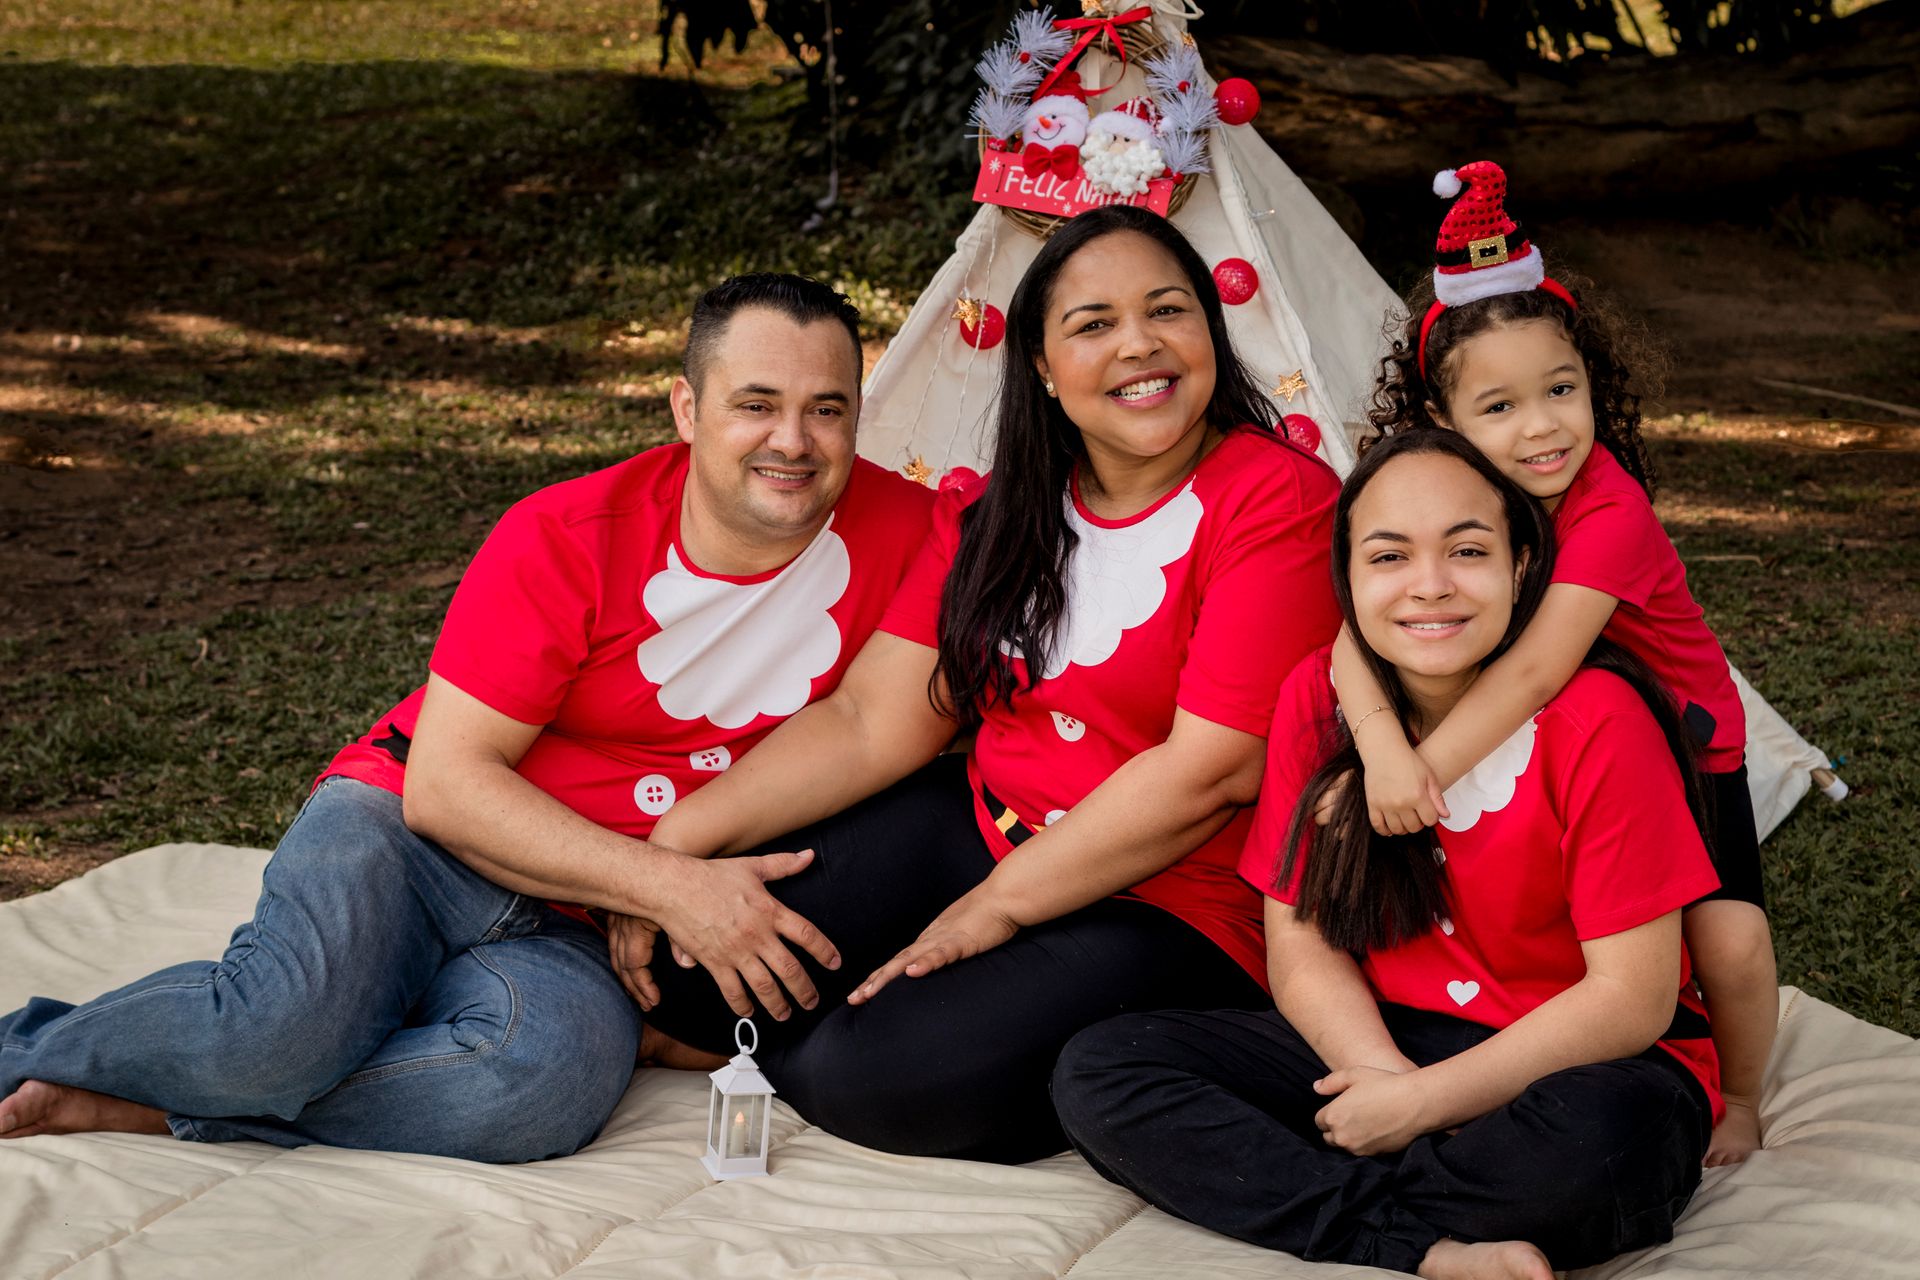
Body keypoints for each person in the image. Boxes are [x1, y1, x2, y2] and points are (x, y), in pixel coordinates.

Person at [0, 273, 934, 1162]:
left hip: (579, 914)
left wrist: (649, 878)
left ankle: (168, 1100)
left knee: (533, 1087)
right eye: (756, 404)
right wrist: (669, 885)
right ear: (688, 409)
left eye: (828, 408)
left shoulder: (917, 533)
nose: (794, 442)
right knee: (275, 1034)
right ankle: (40, 1049)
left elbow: (870, 721)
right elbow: (447, 787)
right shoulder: (567, 534)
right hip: (411, 833)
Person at [631, 204, 1344, 1163]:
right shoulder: (1006, 506)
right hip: (987, 823)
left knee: (870, 1077)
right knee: (694, 965)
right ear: (1044, 369)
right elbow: (872, 718)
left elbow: (1207, 774)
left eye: (1167, 311)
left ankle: (963, 1052)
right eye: (1093, 325)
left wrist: (994, 910)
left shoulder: (1280, 501)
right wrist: (672, 852)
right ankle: (801, 1033)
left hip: (1172, 895)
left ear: (1209, 333)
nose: (1139, 344)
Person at [1052, 426, 1723, 1280]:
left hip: (1573, 1061)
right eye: (1390, 557)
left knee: (1605, 1143)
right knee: (1104, 1071)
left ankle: (1320, 1198)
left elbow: (1630, 1001)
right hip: (1382, 1040)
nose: (1431, 587)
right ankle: (1425, 1245)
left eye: (1468, 551)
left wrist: (1421, 1106)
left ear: (1523, 568)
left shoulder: (1599, 716)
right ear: (1350, 579)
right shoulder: (1315, 699)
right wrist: (1380, 1080)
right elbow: (1298, 942)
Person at [1326, 161, 1775, 1165]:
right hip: (1575, 730)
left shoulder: (1608, 511)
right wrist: (1374, 755)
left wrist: (1419, 767)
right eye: (1500, 407)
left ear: (1593, 382)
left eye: (1561, 390)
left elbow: (1533, 672)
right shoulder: (1446, 487)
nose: (1540, 428)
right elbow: (1346, 641)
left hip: (1685, 737)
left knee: (1730, 941)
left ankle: (1739, 1090)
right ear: (1442, 419)